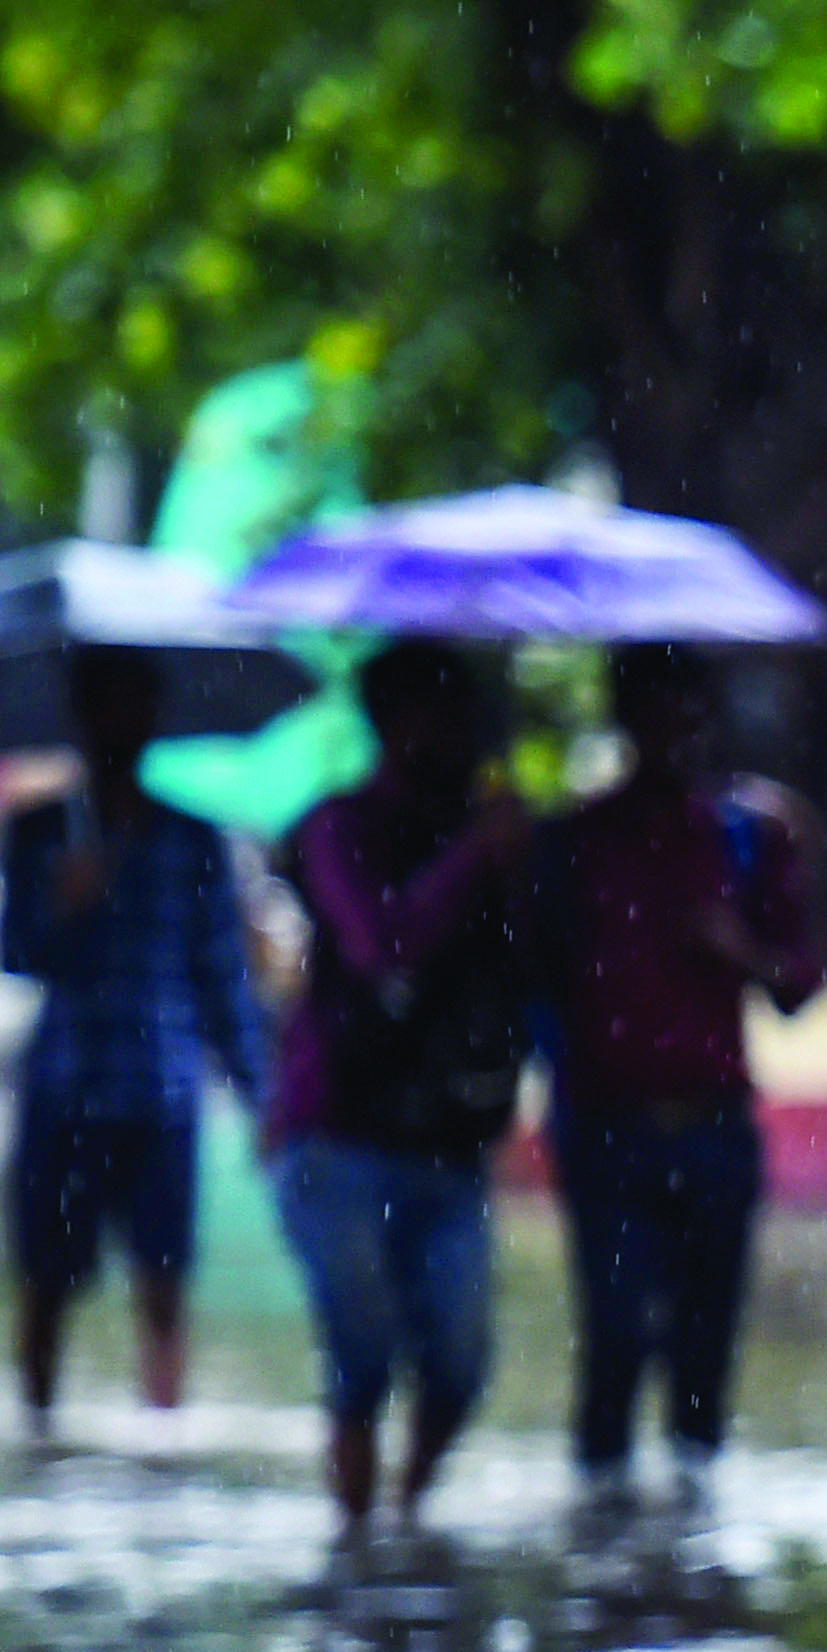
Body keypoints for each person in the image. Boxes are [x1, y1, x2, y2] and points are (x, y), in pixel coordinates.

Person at [537, 646, 825, 1511]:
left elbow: (799, 984)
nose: (669, 729)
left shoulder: (748, 837)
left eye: (682, 709)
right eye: (651, 709)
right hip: (605, 1129)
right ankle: (602, 1532)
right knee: (615, 1339)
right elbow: (536, 977)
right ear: (624, 720)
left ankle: (689, 1545)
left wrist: (737, 948)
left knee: (704, 1362)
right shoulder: (573, 842)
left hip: (715, 1129)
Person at [263, 642, 532, 1533]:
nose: (454, 732)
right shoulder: (338, 828)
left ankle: (406, 1521)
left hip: (450, 1139)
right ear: (390, 722)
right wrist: (472, 857)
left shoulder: (494, 833)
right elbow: (383, 944)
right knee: (364, 1354)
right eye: (435, 711)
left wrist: (508, 862)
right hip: (337, 1135)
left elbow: (528, 968)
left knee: (460, 1361)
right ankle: (357, 1543)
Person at [0, 644, 267, 1443]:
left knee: (165, 1289)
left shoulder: (192, 839)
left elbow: (221, 976)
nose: (122, 724)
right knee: (46, 1286)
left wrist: (264, 1097)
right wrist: (62, 905)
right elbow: (13, 953)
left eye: (134, 705)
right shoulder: (38, 832)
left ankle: (163, 1450)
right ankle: (37, 1441)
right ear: (80, 718)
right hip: (64, 1089)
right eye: (105, 705)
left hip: (161, 1094)